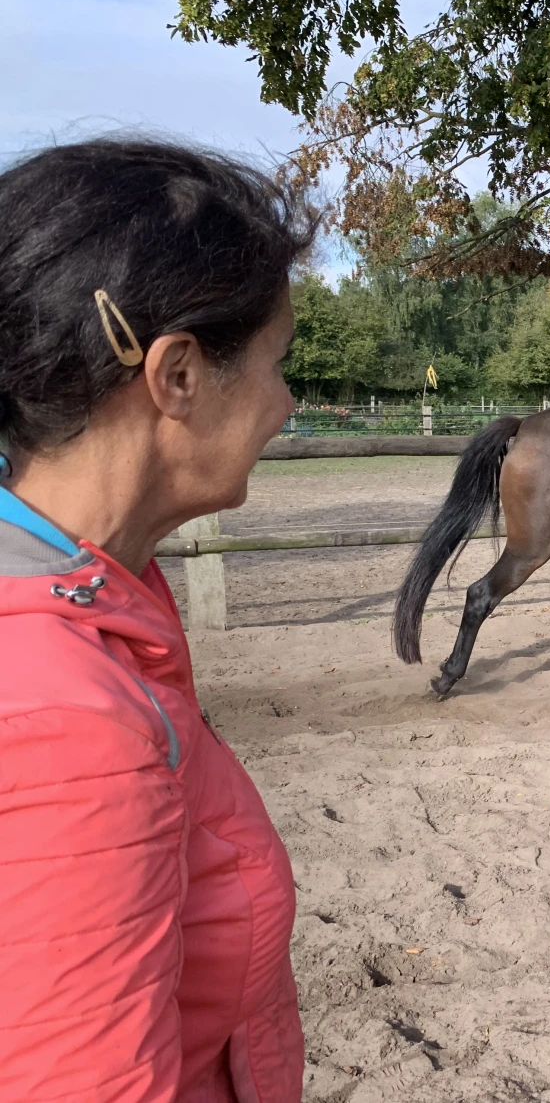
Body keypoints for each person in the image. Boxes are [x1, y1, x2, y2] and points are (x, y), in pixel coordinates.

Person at [0, 140, 316, 1101]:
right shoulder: (66, 723)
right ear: (177, 375)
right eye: (275, 363)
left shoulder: (99, 597)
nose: (286, 403)